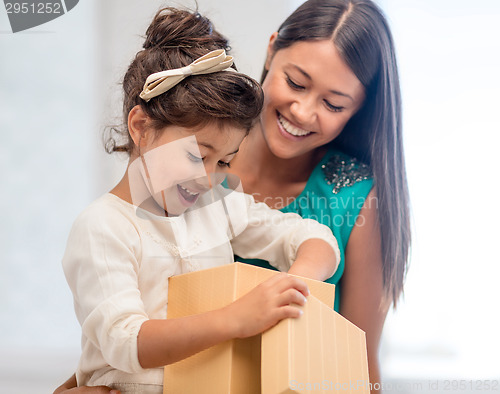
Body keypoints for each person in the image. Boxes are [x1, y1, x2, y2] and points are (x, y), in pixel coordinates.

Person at [55, 0, 411, 392]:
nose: (304, 111)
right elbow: (119, 342)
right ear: (272, 50)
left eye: (332, 103)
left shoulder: (221, 203)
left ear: (358, 109)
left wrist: (290, 286)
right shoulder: (114, 220)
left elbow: (358, 366)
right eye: (296, 82)